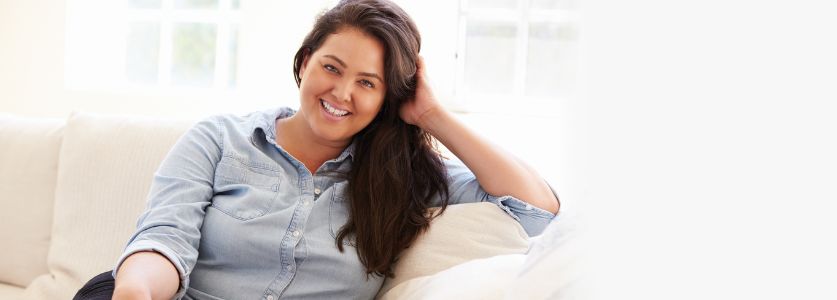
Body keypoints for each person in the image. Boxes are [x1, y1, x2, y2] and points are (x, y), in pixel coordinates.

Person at [73, 0, 559, 299]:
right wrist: (135, 291)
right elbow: (165, 238)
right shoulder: (220, 139)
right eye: (332, 67)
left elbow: (537, 210)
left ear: (389, 97)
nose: (342, 92)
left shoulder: (404, 176)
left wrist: (432, 115)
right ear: (305, 63)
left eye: (367, 82)